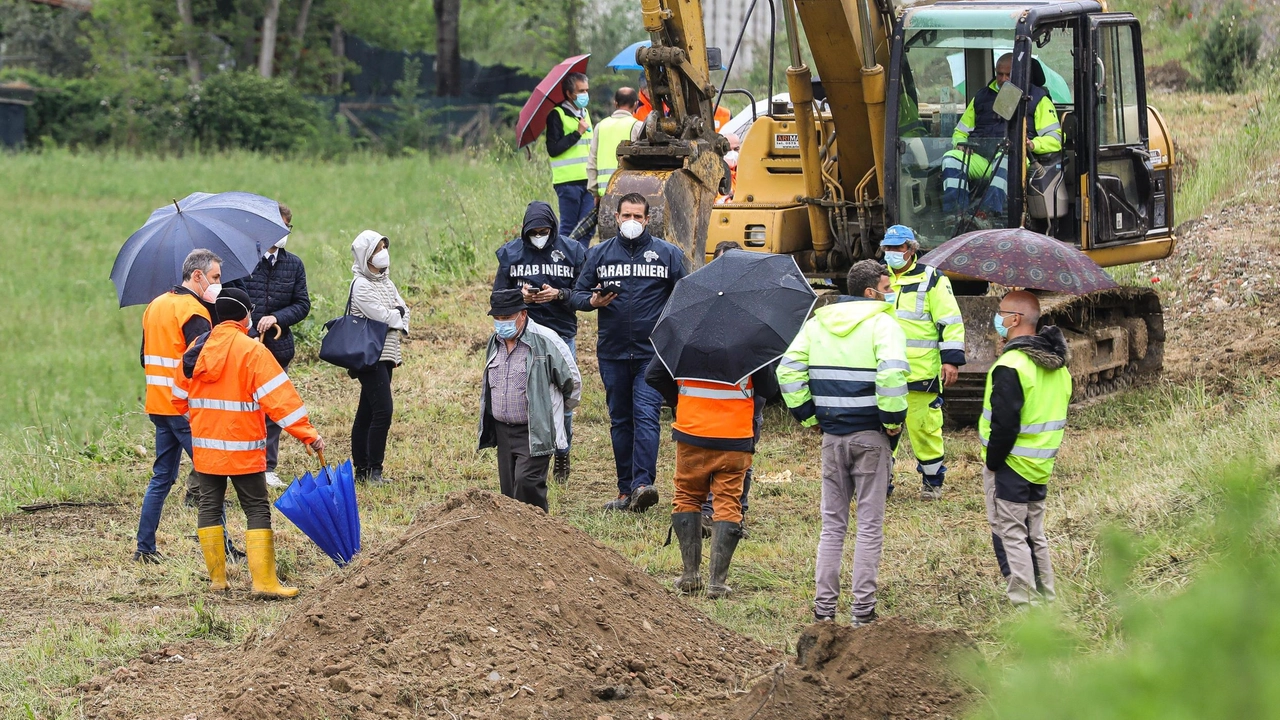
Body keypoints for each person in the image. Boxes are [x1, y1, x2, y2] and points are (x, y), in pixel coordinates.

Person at [778, 259, 909, 627]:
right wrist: (893, 422)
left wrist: (809, 416)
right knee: (869, 525)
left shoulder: (819, 322)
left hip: (832, 436)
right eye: (887, 287)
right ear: (871, 292)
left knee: (832, 525)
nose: (890, 293)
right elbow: (893, 375)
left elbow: (786, 370)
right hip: (872, 437)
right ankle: (863, 612)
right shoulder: (885, 324)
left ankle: (823, 611)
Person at [172, 288, 325, 598]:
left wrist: (202, 420)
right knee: (256, 509)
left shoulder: (197, 348)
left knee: (209, 507)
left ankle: (218, 580)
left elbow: (177, 398)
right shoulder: (252, 351)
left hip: (206, 448)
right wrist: (309, 434)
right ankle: (264, 583)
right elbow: (281, 401)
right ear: (245, 317)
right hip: (242, 450)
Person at [572, 193, 686, 513]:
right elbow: (577, 296)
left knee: (647, 415)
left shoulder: (668, 255)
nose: (632, 222)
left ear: (648, 220)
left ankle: (642, 485)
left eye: (639, 216)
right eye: (627, 216)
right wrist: (591, 302)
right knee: (621, 421)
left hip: (653, 354)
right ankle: (625, 491)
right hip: (612, 352)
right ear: (616, 218)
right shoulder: (598, 255)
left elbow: (686, 295)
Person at [645, 328, 778, 598]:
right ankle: (717, 583)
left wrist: (679, 400)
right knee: (728, 501)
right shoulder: (751, 340)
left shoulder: (684, 335)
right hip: (735, 436)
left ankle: (690, 576)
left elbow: (653, 374)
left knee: (687, 497)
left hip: (692, 433)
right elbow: (770, 389)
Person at [133, 249, 241, 564]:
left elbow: (144, 358)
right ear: (197, 276)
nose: (218, 283)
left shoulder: (155, 305)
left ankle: (144, 548)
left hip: (158, 405)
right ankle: (223, 548)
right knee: (212, 475)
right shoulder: (194, 312)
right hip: (184, 408)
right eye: (216, 277)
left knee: (162, 477)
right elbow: (201, 363)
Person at [979, 290, 1071, 606]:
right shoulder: (1058, 367)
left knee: (1011, 535)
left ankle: (1026, 606)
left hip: (1010, 466)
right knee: (1035, 535)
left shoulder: (1012, 365)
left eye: (1001, 312)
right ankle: (1047, 599)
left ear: (1015, 319)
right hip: (1040, 466)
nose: (997, 318)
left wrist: (992, 462)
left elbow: (1005, 426)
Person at [494, 201, 586, 483]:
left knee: (561, 400)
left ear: (553, 229)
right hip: (522, 335)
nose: (539, 235)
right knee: (526, 400)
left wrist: (557, 295)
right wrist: (520, 296)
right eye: (533, 231)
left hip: (560, 333)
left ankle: (562, 451)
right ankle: (531, 455)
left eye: (544, 230)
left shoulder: (572, 251)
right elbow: (498, 296)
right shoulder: (511, 253)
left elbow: (583, 294)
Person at [226, 202, 311, 489]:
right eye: (278, 226)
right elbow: (232, 300)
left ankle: (267, 465)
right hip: (245, 347)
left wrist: (277, 318)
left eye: (287, 227)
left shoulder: (294, 264)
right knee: (245, 407)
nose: (283, 232)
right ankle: (242, 464)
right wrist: (250, 327)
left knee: (274, 408)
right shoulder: (243, 263)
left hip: (277, 347)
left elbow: (302, 304)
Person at [880, 225, 965, 500]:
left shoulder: (933, 280)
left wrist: (951, 361)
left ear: (911, 249)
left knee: (925, 429)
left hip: (920, 373)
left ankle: (932, 482)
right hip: (884, 372)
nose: (892, 253)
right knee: (881, 432)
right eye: (888, 248)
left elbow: (950, 322)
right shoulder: (878, 278)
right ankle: (881, 483)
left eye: (897, 248)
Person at [478, 289, 582, 512]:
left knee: (528, 484)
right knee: (509, 493)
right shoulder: (494, 342)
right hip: (503, 430)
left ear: (522, 314)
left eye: (506, 318)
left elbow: (572, 383)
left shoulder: (545, 341)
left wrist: (552, 411)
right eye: (497, 318)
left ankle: (539, 537)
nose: (501, 323)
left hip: (534, 430)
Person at [942, 54, 1063, 216]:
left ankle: (987, 214)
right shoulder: (981, 97)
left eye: (1009, 75)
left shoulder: (1038, 99)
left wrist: (1033, 144)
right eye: (1000, 74)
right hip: (982, 157)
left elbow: (1055, 139)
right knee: (951, 158)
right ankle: (956, 215)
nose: (1003, 79)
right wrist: (961, 143)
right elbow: (960, 131)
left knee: (1006, 158)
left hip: (1017, 158)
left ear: (1020, 73)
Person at [698, 241, 763, 538]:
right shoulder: (700, 303)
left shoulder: (760, 306)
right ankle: (708, 512)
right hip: (709, 400)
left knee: (742, 461)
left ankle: (736, 515)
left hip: (747, 401)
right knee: (707, 457)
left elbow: (769, 362)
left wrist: (761, 394)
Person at [348, 230, 409, 485]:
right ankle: (374, 470)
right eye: (377, 249)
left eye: (384, 247)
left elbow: (404, 311)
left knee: (367, 412)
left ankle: (362, 471)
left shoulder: (386, 281)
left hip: (387, 353)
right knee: (383, 410)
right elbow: (384, 316)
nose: (383, 253)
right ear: (366, 255)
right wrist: (397, 313)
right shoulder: (360, 285)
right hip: (370, 356)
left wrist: (397, 313)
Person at [546, 72, 594, 242]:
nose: (585, 95)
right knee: (569, 228)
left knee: (587, 228)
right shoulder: (557, 114)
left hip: (588, 181)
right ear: (569, 93)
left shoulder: (585, 113)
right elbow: (553, 148)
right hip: (568, 183)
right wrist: (577, 133)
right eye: (581, 91)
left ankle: (580, 265)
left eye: (587, 91)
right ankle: (564, 265)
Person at [588, 87, 643, 201]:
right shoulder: (638, 126)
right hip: (629, 192)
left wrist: (595, 192)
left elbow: (592, 162)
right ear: (636, 104)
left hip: (605, 193)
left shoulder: (600, 126)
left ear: (615, 103)